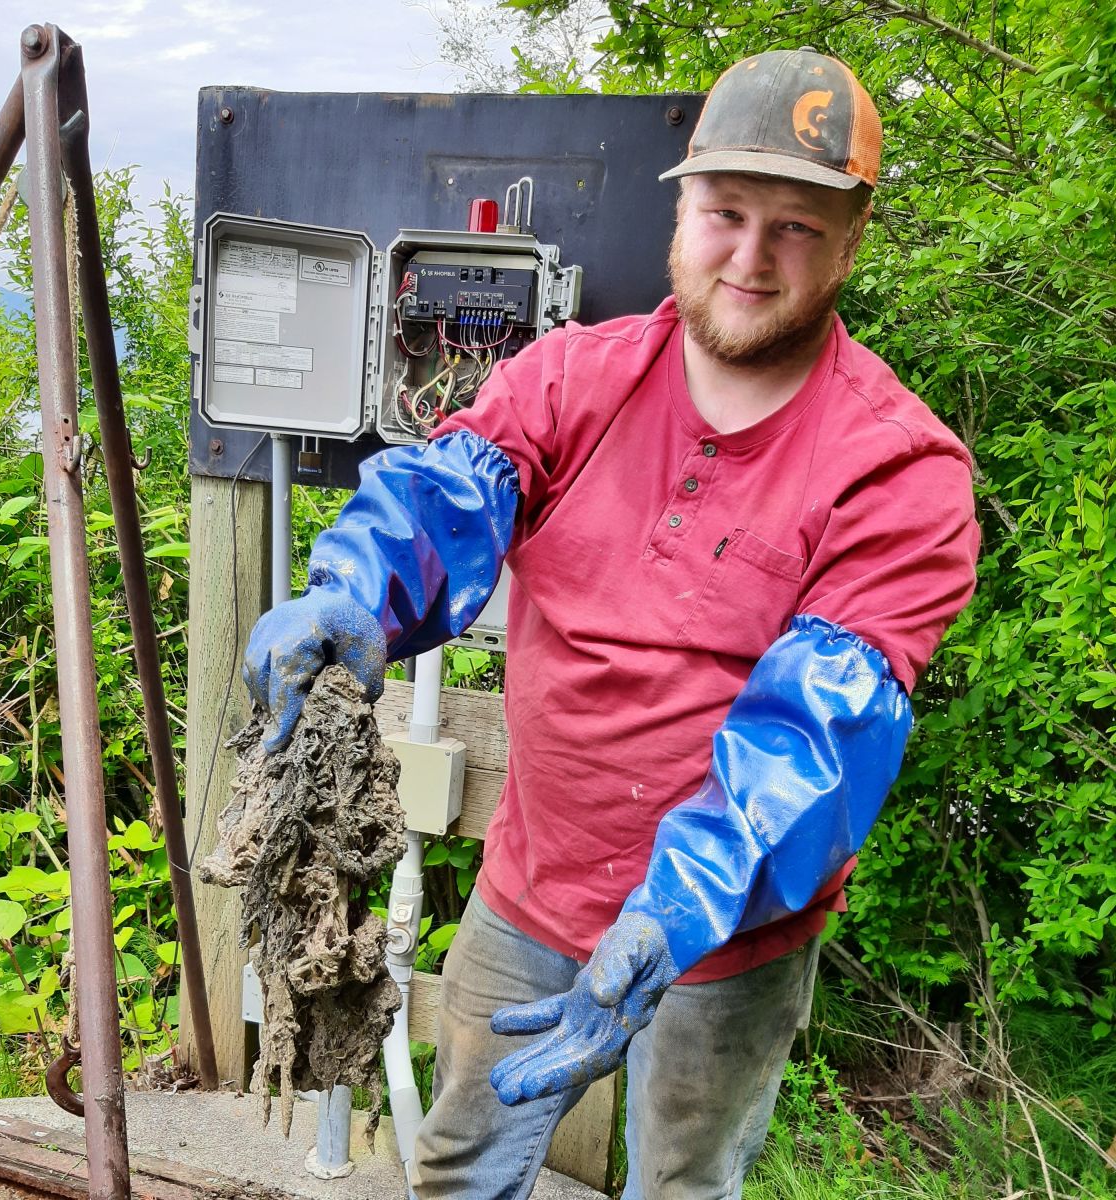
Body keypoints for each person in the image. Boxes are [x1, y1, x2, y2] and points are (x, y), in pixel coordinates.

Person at [243, 48, 979, 1200]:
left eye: (794, 226)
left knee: (685, 1186)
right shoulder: (572, 379)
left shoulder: (900, 472)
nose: (748, 255)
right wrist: (352, 588)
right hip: (532, 888)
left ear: (851, 238)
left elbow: (815, 742)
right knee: (456, 1165)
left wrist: (678, 913)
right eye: (727, 212)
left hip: (728, 944)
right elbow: (446, 497)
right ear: (682, 210)